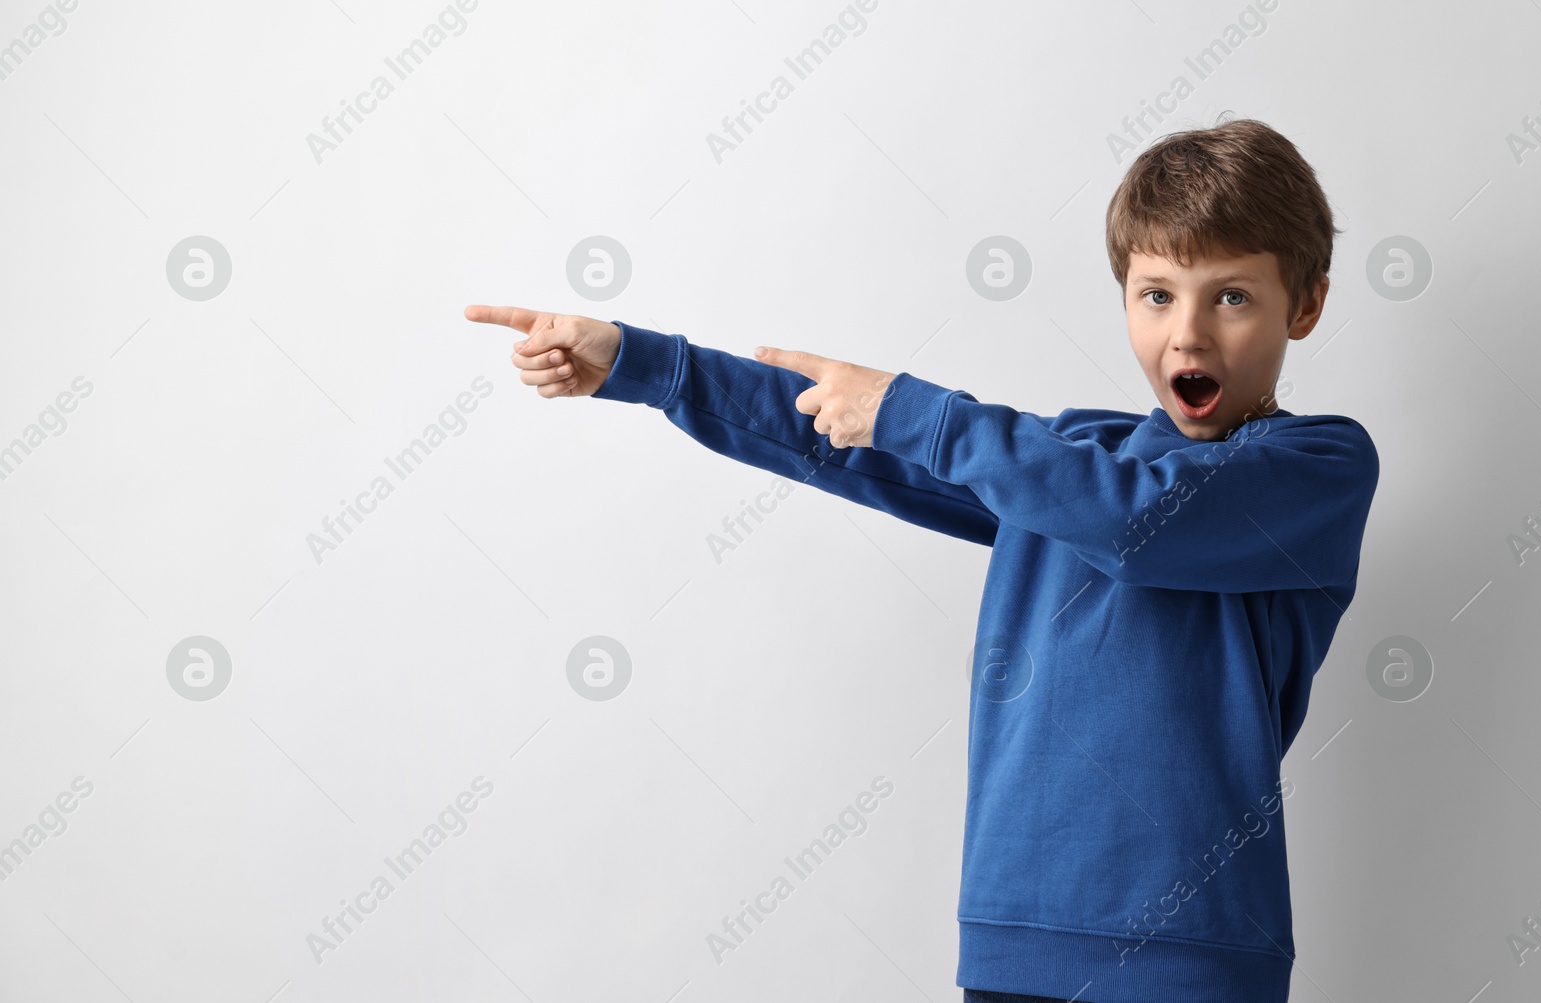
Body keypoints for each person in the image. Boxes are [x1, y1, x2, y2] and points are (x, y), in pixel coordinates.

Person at [464, 115, 1379, 1003]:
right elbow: (850, 442)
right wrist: (642, 363)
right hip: (1013, 940)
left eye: (1231, 295)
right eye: (1156, 294)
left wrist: (920, 413)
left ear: (1305, 304)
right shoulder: (1062, 457)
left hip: (1196, 951)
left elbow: (1138, 523)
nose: (1188, 333)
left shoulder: (1315, 471)